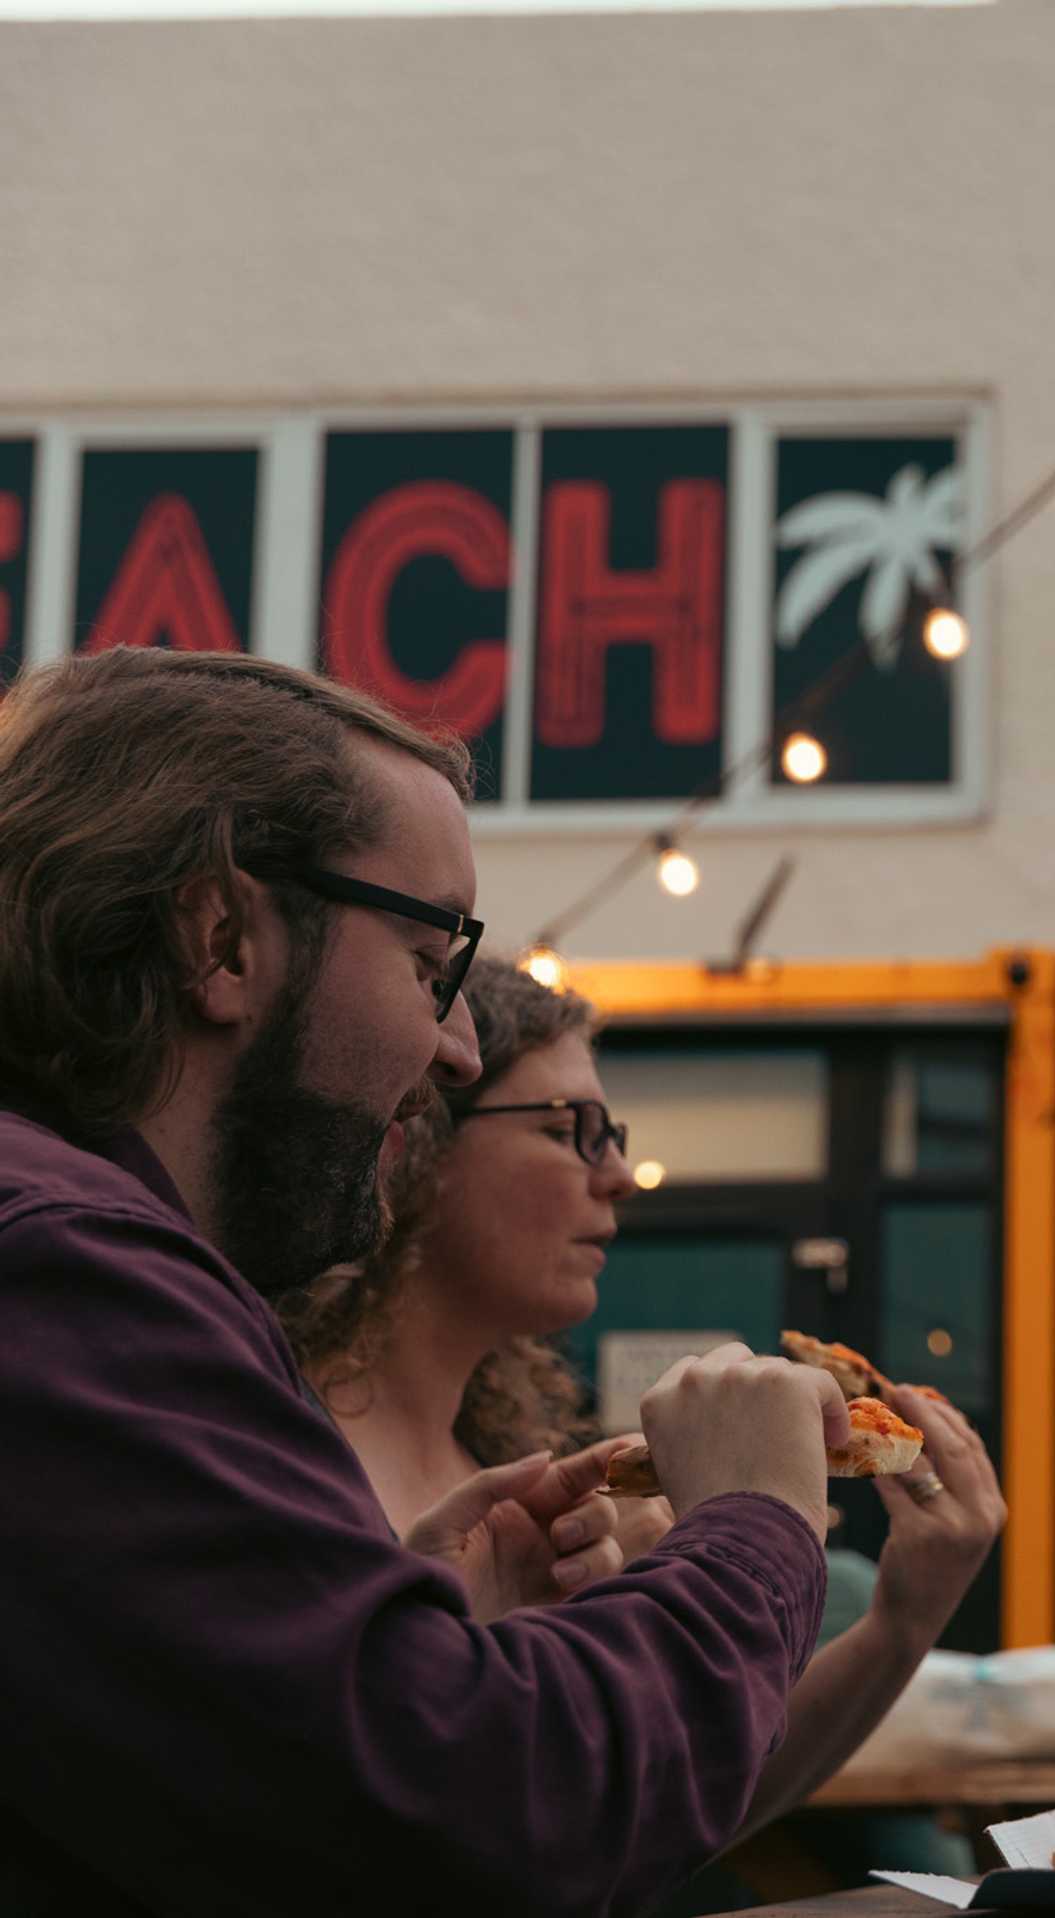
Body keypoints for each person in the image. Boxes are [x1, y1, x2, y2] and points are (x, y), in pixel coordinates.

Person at [0, 649, 854, 1916]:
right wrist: (758, 1529)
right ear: (220, 933)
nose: (457, 1048)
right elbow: (484, 1818)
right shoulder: (65, 1269)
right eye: (429, 958)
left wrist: (396, 1637)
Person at [287, 955, 1005, 1846]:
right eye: (570, 1130)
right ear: (415, 1142)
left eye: (613, 1132)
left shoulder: (517, 1469)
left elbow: (660, 1811)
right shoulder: (290, 1450)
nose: (621, 1174)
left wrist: (907, 1617)